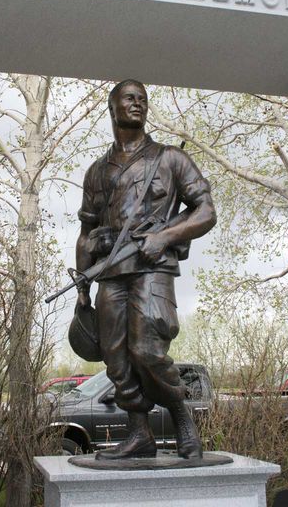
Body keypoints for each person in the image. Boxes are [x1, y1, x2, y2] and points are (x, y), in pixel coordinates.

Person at [75, 79, 216, 460]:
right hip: (109, 273)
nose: (137, 104)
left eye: (142, 99)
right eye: (129, 99)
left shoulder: (170, 159)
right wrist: (82, 284)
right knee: (116, 359)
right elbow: (86, 231)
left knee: (147, 351)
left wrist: (166, 236)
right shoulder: (97, 172)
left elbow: (205, 210)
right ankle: (139, 433)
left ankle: (180, 414)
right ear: (113, 108)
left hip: (152, 269)